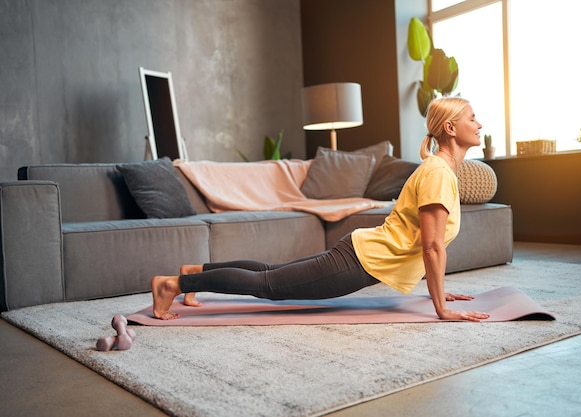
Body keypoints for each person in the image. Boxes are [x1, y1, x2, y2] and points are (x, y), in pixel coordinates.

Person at [152, 97, 490, 322]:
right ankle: (173, 285)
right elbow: (431, 246)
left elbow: (424, 242)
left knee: (269, 272)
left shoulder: (438, 170)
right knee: (268, 285)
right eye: (472, 118)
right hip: (359, 261)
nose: (478, 124)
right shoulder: (438, 173)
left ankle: (195, 273)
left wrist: (440, 293)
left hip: (360, 253)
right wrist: (441, 307)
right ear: (450, 128)